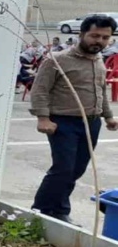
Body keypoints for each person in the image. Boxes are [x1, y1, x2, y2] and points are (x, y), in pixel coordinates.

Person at [30, 15, 118, 224]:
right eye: (94, 35)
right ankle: (41, 210)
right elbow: (40, 90)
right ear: (81, 34)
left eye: (105, 37)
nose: (99, 41)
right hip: (63, 122)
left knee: (77, 169)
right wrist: (43, 118)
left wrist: (108, 116)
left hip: (91, 123)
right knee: (63, 168)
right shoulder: (57, 60)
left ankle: (58, 210)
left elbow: (100, 92)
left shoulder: (98, 61)